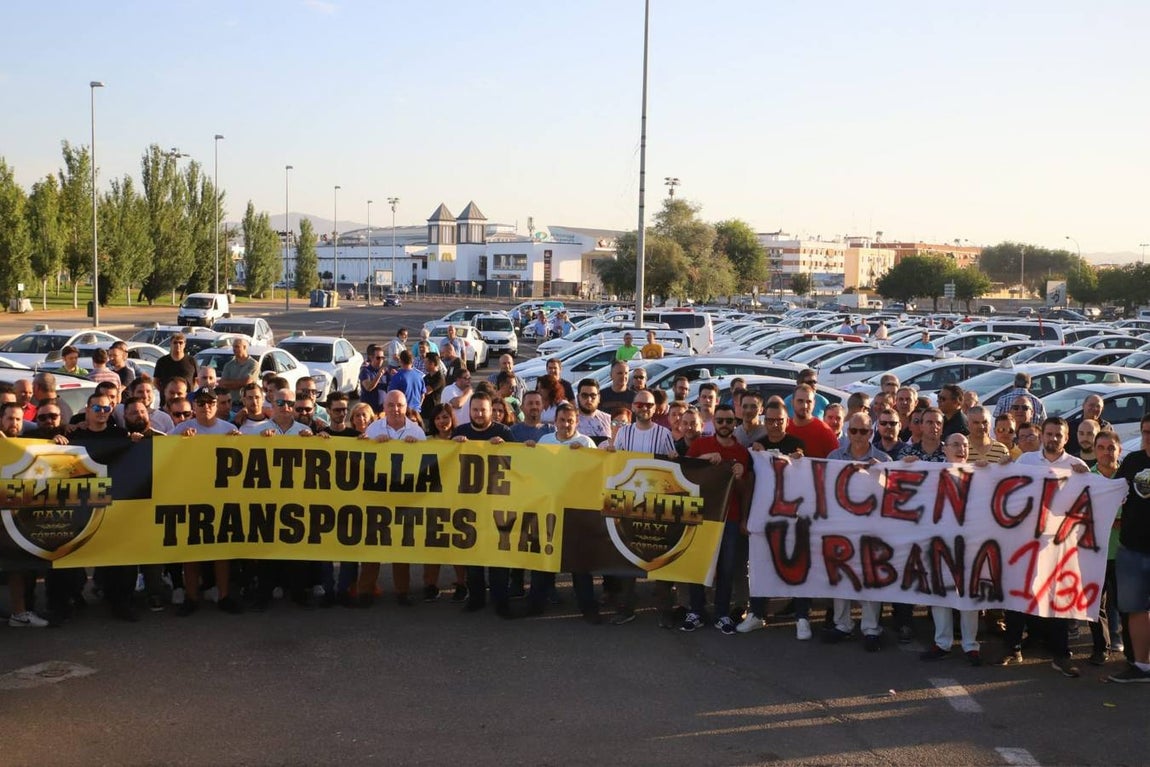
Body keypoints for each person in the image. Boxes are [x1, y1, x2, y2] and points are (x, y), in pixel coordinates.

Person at [1007, 417, 1090, 678]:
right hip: (1026, 541)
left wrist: (1085, 480)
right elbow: (1006, 488)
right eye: (1050, 434)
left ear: (1067, 438)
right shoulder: (1026, 461)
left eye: (1059, 435)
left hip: (1061, 545)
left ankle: (1060, 654)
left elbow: (1090, 503)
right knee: (1019, 593)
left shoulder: (1078, 466)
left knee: (1058, 596)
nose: (1053, 439)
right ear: (1042, 435)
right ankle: (1013, 646)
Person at [171, 387, 242, 617]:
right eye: (201, 403)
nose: (206, 407)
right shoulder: (181, 430)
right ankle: (191, 598)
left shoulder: (230, 429)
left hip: (221, 498)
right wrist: (181, 444)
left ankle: (223, 596)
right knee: (191, 552)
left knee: (220, 551)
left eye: (210, 402)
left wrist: (239, 443)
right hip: (191, 498)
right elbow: (167, 461)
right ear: (194, 406)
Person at [682, 404, 752, 636]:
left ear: (735, 424)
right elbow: (685, 473)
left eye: (729, 421)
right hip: (701, 515)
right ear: (714, 422)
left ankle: (722, 612)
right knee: (697, 565)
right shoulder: (701, 444)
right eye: (720, 420)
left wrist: (741, 476)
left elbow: (745, 491)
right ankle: (696, 611)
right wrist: (703, 459)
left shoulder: (742, 452)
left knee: (727, 567)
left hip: (729, 519)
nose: (724, 425)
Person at [825, 412, 891, 651]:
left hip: (872, 530)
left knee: (870, 577)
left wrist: (883, 474)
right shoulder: (834, 457)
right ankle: (842, 624)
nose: (858, 436)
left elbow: (893, 498)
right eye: (854, 431)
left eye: (864, 431)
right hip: (842, 527)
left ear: (871, 433)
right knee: (841, 575)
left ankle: (871, 628)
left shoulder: (883, 459)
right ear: (847, 432)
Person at [919, 433, 985, 665]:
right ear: (944, 449)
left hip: (970, 546)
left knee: (969, 596)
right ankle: (942, 642)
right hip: (939, 545)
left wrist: (1001, 469)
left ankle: (970, 646)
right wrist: (906, 466)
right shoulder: (931, 474)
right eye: (956, 445)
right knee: (941, 594)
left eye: (965, 445)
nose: (961, 449)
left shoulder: (981, 474)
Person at [1108, 414, 1150, 683]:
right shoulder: (1133, 461)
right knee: (1135, 609)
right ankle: (1141, 666)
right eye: (1145, 431)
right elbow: (1109, 489)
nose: (1148, 436)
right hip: (1132, 549)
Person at [0, 403, 49, 628]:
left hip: (13, 517)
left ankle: (19, 614)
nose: (14, 423)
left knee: (16, 565)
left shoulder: (30, 444)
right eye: (10, 419)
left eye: (18, 419)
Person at [1089, 431, 1126, 668]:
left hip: (1124, 551)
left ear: (1119, 450)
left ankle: (1131, 649)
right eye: (1101, 447)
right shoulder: (1085, 477)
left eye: (1111, 448)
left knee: (1127, 603)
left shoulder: (1129, 476)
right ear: (1094, 451)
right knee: (1095, 604)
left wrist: (1112, 519)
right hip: (1094, 552)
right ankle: (1100, 648)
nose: (1106, 452)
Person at [219, 337, 258, 405]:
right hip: (230, 403)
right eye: (233, 347)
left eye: (237, 347)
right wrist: (240, 384)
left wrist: (229, 384)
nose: (234, 349)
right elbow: (222, 384)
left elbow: (247, 383)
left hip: (245, 404)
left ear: (245, 347)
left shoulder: (253, 364)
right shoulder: (229, 365)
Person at [575, 377, 612, 444]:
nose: (589, 399)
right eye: (584, 395)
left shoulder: (609, 420)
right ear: (578, 397)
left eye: (593, 396)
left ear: (599, 398)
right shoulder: (569, 420)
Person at [359, 344, 389, 414]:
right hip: (369, 411)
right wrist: (378, 376)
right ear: (371, 358)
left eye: (383, 358)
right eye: (378, 358)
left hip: (382, 411)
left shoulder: (385, 372)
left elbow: (390, 388)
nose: (381, 360)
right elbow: (368, 387)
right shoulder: (365, 371)